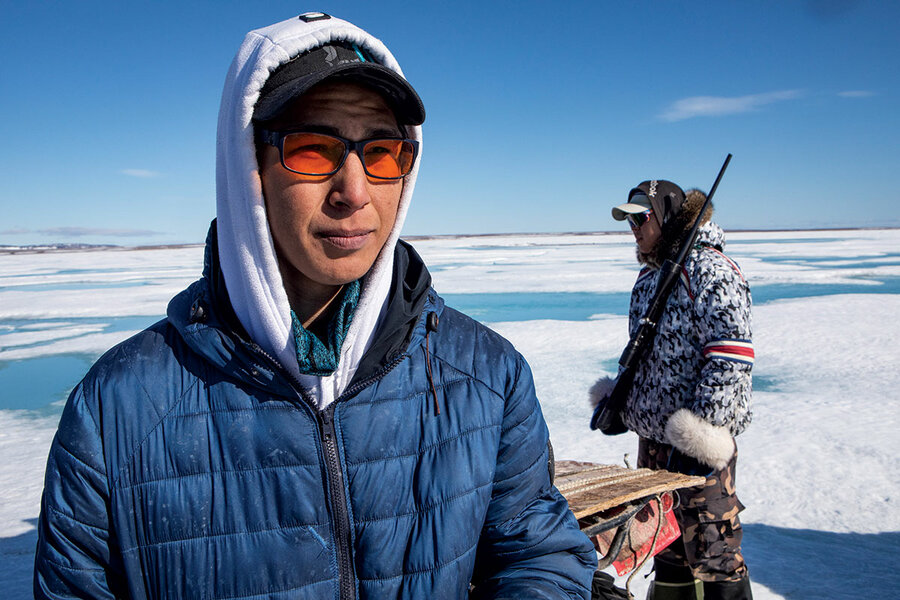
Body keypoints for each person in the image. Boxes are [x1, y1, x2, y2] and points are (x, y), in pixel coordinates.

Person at [34, 13, 596, 599]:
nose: (354, 191)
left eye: (381, 152)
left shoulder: (484, 376)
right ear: (247, 165)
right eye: (312, 148)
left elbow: (541, 557)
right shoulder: (117, 411)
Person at [590, 180, 754, 599]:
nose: (633, 227)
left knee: (714, 553)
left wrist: (699, 437)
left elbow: (731, 359)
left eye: (641, 217)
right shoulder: (650, 277)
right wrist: (620, 406)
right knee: (665, 548)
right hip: (656, 445)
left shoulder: (712, 271)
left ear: (666, 214)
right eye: (628, 219)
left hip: (697, 449)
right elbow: (645, 358)